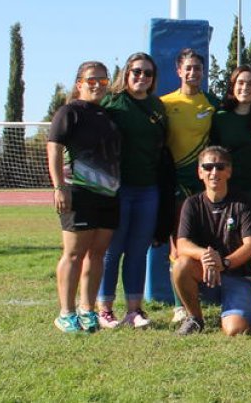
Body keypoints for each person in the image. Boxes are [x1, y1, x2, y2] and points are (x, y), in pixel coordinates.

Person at [47, 61, 122, 333]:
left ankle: (87, 309)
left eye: (103, 81)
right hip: (78, 192)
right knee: (74, 253)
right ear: (79, 83)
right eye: (91, 80)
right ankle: (66, 313)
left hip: (109, 195)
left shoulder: (108, 115)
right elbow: (54, 149)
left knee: (97, 254)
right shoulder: (69, 112)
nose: (97, 85)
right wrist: (59, 186)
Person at [98, 52, 169, 329]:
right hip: (117, 189)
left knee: (139, 251)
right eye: (136, 71)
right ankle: (105, 309)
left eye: (147, 73)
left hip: (148, 188)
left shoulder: (157, 106)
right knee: (112, 250)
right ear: (126, 73)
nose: (142, 77)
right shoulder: (112, 103)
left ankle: (134, 310)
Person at [171, 146, 251, 336]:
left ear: (229, 171)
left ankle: (250, 306)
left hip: (238, 276)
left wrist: (224, 263)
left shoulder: (243, 202)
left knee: (235, 330)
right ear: (200, 172)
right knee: (180, 265)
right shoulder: (192, 204)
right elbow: (182, 244)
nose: (214, 172)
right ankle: (195, 318)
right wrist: (205, 255)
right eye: (208, 167)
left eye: (220, 167)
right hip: (206, 275)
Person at [210, 65, 251, 214]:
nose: (245, 87)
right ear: (232, 86)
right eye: (240, 83)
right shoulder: (220, 117)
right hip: (229, 187)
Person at [161, 48, 220, 200]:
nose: (193, 72)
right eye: (188, 68)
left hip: (203, 175)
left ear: (203, 72)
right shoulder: (164, 103)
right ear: (179, 71)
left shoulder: (213, 103)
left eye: (197, 68)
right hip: (174, 175)